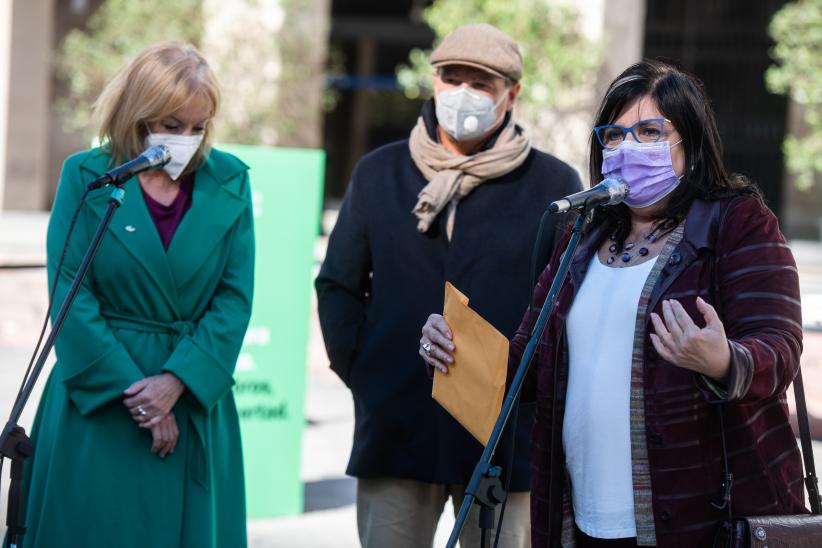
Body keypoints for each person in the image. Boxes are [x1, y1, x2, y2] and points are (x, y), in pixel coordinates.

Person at [421, 59, 806, 548]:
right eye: (615, 135)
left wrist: (723, 359)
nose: (628, 148)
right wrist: (454, 348)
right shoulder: (581, 236)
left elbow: (782, 347)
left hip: (701, 517)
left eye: (649, 131)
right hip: (581, 518)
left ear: (690, 140)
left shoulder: (737, 222)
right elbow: (528, 367)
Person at [316, 23, 582, 548]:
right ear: (433, 82)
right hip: (397, 425)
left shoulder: (555, 186)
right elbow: (338, 287)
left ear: (512, 95)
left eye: (480, 83)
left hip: (504, 436)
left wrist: (527, 390)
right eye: (451, 78)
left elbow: (567, 308)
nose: (463, 93)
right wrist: (367, 374)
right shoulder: (379, 173)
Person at [18, 42, 254, 547]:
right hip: (100, 400)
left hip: (192, 396)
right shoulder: (86, 175)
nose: (186, 138)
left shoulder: (229, 180)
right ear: (136, 114)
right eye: (172, 123)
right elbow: (70, 297)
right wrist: (139, 395)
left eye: (198, 127)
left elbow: (233, 300)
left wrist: (175, 384)